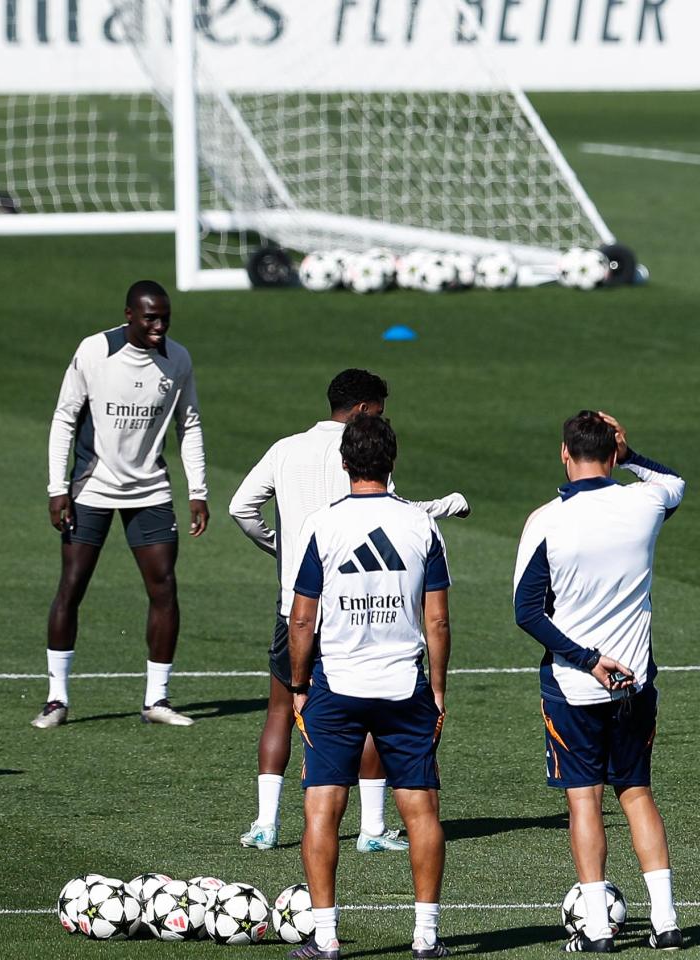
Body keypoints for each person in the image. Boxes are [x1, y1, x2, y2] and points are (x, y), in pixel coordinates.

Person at [229, 369, 469, 852]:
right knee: (372, 708)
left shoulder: (285, 448)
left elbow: (241, 507)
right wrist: (443, 505)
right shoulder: (368, 449)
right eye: (379, 411)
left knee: (279, 709)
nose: (382, 420)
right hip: (352, 610)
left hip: (295, 603)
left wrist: (283, 552)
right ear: (362, 410)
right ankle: (373, 828)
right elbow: (387, 510)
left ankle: (266, 824)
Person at [514, 411, 686, 952]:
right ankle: (666, 922)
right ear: (612, 454)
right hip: (636, 684)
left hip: (574, 685)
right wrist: (631, 454)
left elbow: (527, 611)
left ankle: (597, 930)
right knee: (637, 795)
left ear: (565, 454)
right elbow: (674, 483)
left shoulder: (546, 519)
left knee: (584, 802)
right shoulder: (643, 504)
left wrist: (587, 659)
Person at [286, 414, 452, 960]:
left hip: (338, 685)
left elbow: (302, 619)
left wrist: (298, 683)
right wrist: (439, 689)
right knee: (421, 813)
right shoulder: (422, 526)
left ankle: (327, 936)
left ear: (344, 463)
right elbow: (438, 621)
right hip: (406, 686)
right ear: (393, 461)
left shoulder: (322, 525)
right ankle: (426, 937)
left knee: (321, 811)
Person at [38, 280, 208, 729]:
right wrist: (58, 488)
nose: (159, 326)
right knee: (72, 586)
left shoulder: (178, 359)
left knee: (164, 588)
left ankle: (157, 700)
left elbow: (188, 426)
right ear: (129, 314)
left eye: (165, 318)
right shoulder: (95, 352)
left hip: (150, 489)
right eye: (151, 318)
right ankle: (56, 699)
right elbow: (64, 418)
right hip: (92, 486)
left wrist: (199, 491)